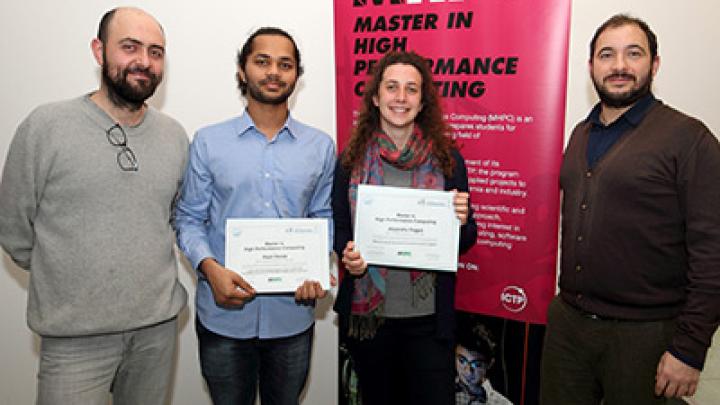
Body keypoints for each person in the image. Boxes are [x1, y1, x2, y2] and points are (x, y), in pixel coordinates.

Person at [0, 7, 188, 405]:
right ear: (98, 51)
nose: (144, 61)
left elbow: (172, 219)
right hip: (73, 342)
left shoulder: (174, 137)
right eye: (130, 47)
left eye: (156, 52)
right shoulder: (46, 126)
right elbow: (13, 226)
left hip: (155, 334)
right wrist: (68, 272)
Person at [541, 14, 720, 405]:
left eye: (633, 53)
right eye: (607, 55)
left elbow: (713, 252)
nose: (619, 65)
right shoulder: (580, 134)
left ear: (654, 64)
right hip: (568, 327)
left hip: (647, 336)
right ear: (591, 67)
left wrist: (689, 347)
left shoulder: (690, 140)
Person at [174, 27, 335, 405]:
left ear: (297, 75)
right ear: (242, 70)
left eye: (285, 64)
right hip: (223, 317)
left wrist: (317, 265)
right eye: (262, 61)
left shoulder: (320, 146)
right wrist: (209, 269)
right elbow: (189, 219)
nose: (273, 72)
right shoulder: (209, 142)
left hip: (292, 317)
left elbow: (323, 215)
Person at [332, 50, 478, 405]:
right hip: (370, 322)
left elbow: (467, 238)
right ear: (376, 96)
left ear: (423, 99)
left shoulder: (447, 158)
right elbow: (338, 227)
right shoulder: (350, 159)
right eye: (392, 87)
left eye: (411, 89)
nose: (401, 97)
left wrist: (459, 221)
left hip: (428, 322)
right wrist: (348, 253)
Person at [455, 324, 512, 405]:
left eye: (476, 365)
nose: (468, 371)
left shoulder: (502, 403)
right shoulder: (440, 392)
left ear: (490, 364)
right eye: (462, 361)